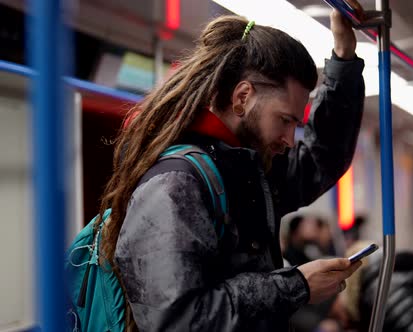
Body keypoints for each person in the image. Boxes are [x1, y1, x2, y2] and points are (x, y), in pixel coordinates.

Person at [95, 5, 366, 332]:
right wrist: (296, 286)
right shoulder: (175, 185)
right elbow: (178, 321)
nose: (289, 140)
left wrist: (343, 60)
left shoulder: (244, 170)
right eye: (285, 120)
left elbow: (319, 159)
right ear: (242, 97)